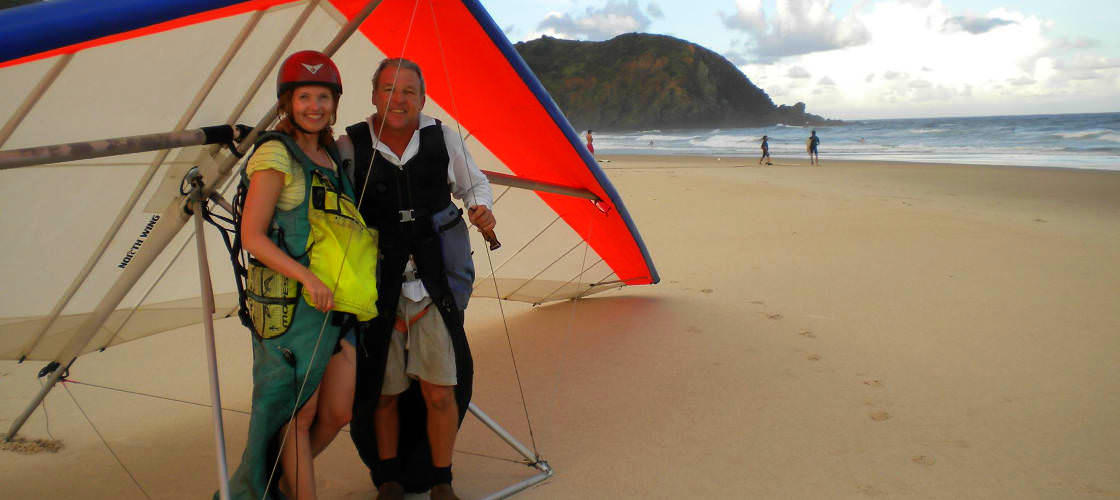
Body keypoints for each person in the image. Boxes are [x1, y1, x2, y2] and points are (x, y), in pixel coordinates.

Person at [226, 50, 379, 499]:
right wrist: (307, 279)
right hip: (295, 308)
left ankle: (276, 485)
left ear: (335, 103)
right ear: (287, 103)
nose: (315, 106)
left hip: (337, 303)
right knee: (299, 414)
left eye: (323, 97)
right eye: (304, 97)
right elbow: (253, 237)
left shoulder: (328, 154)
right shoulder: (276, 154)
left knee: (338, 411)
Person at [339, 58, 495, 500]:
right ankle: (388, 478)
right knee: (383, 392)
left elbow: (474, 184)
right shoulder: (350, 145)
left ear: (423, 98)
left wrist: (482, 208)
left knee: (441, 391)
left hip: (432, 286)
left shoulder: (441, 136)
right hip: (377, 287)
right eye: (389, 89)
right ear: (374, 95)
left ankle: (442, 480)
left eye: (409, 91)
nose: (399, 99)